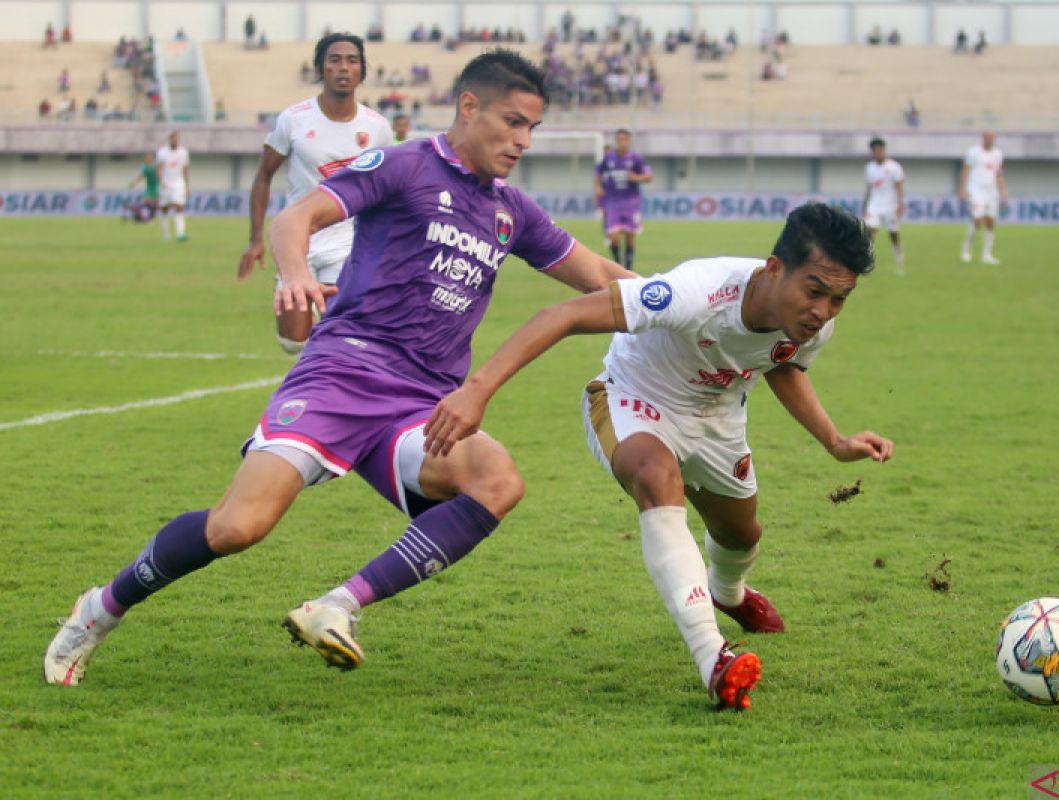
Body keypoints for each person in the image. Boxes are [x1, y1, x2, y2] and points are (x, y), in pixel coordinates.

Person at [44, 48, 631, 687]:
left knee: (497, 481)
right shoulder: (405, 165)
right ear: (469, 106)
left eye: (531, 129)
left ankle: (338, 605)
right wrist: (295, 272)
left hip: (420, 403)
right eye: (513, 122)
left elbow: (601, 276)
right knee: (239, 527)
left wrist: (691, 297)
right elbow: (296, 217)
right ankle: (101, 608)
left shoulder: (512, 210)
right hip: (343, 375)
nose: (522, 141)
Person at [422, 203, 893, 710]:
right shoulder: (697, 292)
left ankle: (728, 593)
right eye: (815, 290)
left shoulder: (813, 324)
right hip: (633, 399)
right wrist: (477, 390)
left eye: (839, 299)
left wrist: (834, 441)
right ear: (775, 268)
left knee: (741, 535)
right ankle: (713, 656)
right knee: (655, 475)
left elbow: (782, 364)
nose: (823, 310)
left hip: (716, 419)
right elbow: (562, 315)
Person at [237, 33, 392, 354]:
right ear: (320, 67)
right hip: (298, 240)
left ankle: (325, 393)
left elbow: (389, 189)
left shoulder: (377, 128)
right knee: (292, 342)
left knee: (343, 335)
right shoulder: (293, 120)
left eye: (352, 61)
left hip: (348, 244)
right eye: (334, 60)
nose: (344, 68)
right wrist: (255, 240)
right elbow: (264, 176)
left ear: (362, 70)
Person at [594, 128, 652, 271]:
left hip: (631, 202)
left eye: (625, 140)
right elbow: (598, 173)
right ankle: (618, 266)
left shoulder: (636, 158)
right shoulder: (609, 158)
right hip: (613, 202)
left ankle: (628, 269)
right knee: (613, 237)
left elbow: (649, 176)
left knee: (630, 237)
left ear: (629, 141)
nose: (622, 143)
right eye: (619, 140)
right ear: (616, 141)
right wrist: (598, 187)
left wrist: (636, 178)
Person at [959, 130, 1006, 264]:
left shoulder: (998, 154)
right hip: (976, 189)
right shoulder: (973, 152)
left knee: (991, 222)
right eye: (987, 137)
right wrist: (962, 189)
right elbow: (965, 170)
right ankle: (966, 248)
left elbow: (999, 173)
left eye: (991, 137)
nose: (989, 140)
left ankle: (986, 255)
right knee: (978, 220)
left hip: (991, 191)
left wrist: (1003, 190)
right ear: (982, 138)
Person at [862, 137, 905, 274]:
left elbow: (899, 186)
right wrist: (865, 205)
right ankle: (866, 260)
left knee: (893, 233)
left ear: (884, 150)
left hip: (890, 205)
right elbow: (869, 188)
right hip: (874, 204)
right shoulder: (869, 168)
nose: (877, 153)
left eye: (879, 150)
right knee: (870, 230)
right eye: (874, 150)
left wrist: (899, 204)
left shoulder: (894, 167)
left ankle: (899, 259)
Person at [156, 131, 190, 242]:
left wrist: (187, 185)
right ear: (170, 140)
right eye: (173, 139)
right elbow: (159, 168)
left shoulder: (183, 152)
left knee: (179, 207)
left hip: (178, 183)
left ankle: (181, 234)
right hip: (166, 183)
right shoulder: (162, 152)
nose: (174, 141)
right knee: (164, 208)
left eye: (176, 139)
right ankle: (166, 234)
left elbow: (185, 169)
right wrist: (161, 180)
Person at [128, 151, 160, 219]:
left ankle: (154, 215)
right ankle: (149, 215)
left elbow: (160, 175)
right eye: (146, 158)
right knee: (147, 201)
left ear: (152, 159)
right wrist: (134, 182)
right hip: (149, 186)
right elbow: (141, 176)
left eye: (149, 158)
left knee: (157, 203)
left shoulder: (155, 166)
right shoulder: (144, 167)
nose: (147, 159)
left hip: (155, 185)